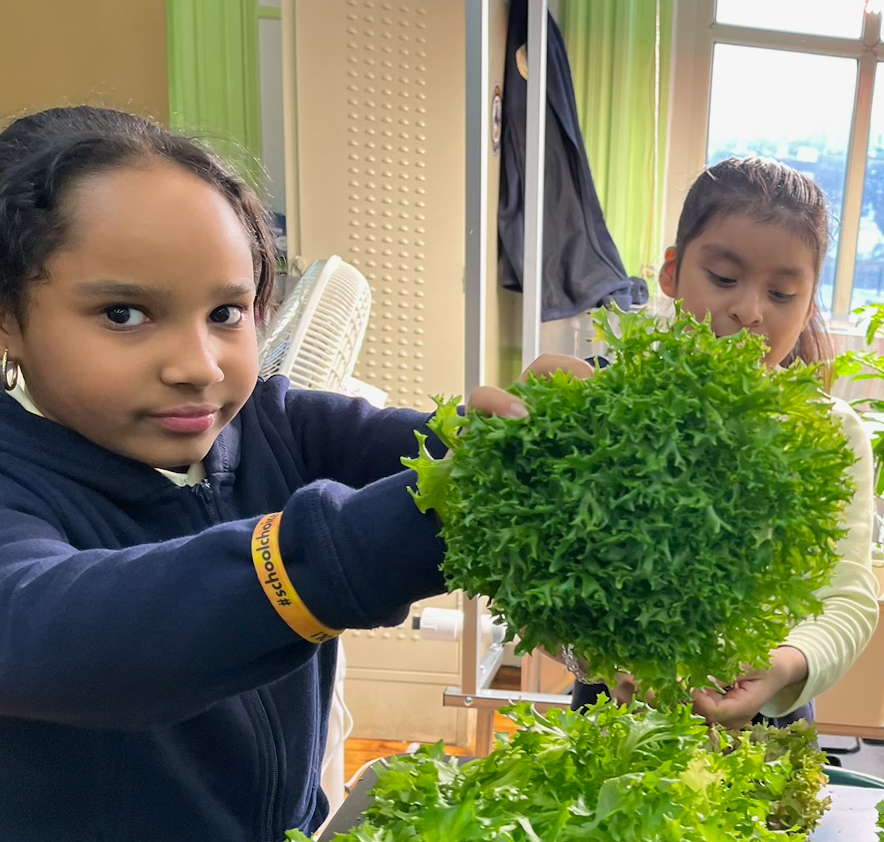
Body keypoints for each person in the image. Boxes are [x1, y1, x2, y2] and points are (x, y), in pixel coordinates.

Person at [0, 105, 589, 840]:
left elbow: (442, 452)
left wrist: (541, 441)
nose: (199, 366)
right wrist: (391, 531)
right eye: (124, 313)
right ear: (10, 316)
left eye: (226, 312)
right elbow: (64, 638)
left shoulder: (279, 423)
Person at [571, 157, 878, 730]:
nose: (749, 310)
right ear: (671, 272)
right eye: (724, 279)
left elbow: (848, 599)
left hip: (765, 716)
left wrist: (783, 664)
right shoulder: (605, 401)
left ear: (809, 303)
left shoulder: (829, 432)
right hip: (618, 710)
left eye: (782, 293)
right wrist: (604, 657)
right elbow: (547, 569)